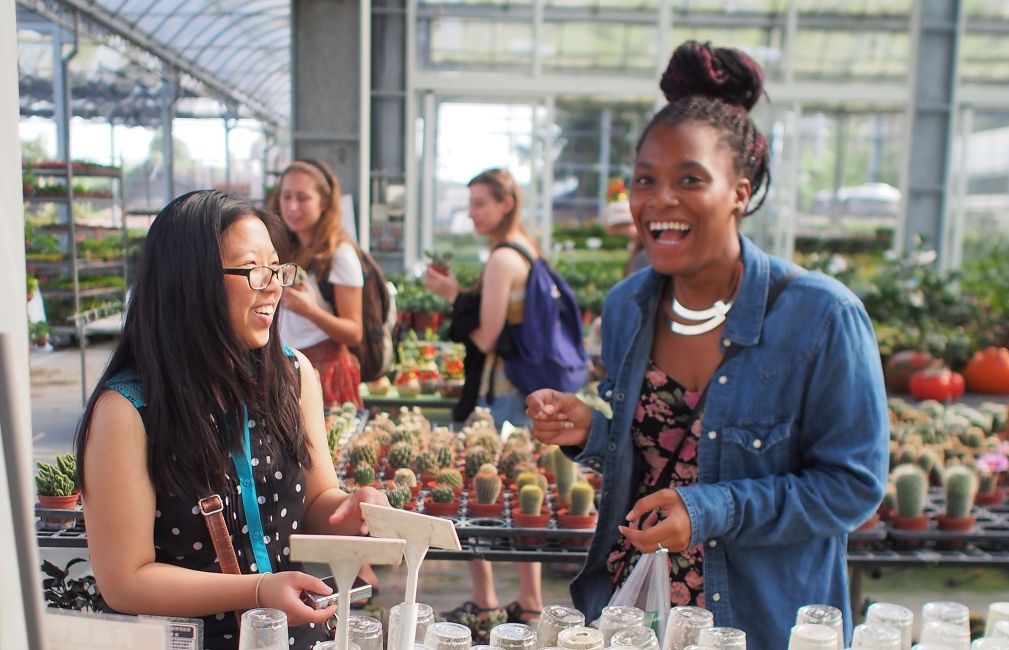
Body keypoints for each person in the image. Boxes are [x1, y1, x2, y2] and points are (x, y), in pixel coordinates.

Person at [526, 41, 888, 650]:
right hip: (639, 614)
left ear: (740, 192)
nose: (659, 199)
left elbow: (852, 487)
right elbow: (658, 455)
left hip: (761, 622)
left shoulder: (822, 317)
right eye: (645, 180)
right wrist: (592, 431)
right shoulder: (628, 308)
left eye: (690, 179)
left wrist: (711, 509)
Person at [75, 191, 388, 650]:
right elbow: (124, 580)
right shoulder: (127, 410)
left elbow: (317, 499)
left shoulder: (293, 374)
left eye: (278, 268)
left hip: (292, 634)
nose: (275, 286)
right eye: (253, 270)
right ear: (190, 281)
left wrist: (353, 511)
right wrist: (258, 590)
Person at [422, 168, 544, 636]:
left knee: (481, 492)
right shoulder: (527, 250)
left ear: (505, 204)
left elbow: (488, 337)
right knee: (523, 495)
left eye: (480, 203)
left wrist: (453, 297)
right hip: (521, 391)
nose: (472, 212)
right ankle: (530, 602)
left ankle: (487, 600)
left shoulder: (502, 260)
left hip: (498, 395)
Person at [269, 159, 364, 408]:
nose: (292, 206)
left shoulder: (339, 254)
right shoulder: (279, 248)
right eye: (286, 196)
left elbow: (354, 332)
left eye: (303, 198)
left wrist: (310, 311)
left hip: (326, 372)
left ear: (323, 202)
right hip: (285, 367)